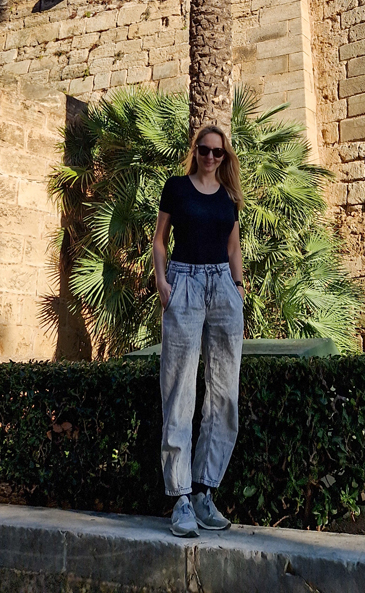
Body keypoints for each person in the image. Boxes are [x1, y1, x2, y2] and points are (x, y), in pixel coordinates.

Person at [152, 124, 245, 538]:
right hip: (184, 283)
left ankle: (206, 492)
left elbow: (233, 247)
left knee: (224, 393)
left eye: (217, 152)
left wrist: (238, 289)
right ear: (196, 151)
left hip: (224, 286)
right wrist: (161, 280)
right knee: (179, 390)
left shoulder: (229, 197)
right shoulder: (176, 187)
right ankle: (181, 498)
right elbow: (159, 239)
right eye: (204, 150)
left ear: (225, 157)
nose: (210, 157)